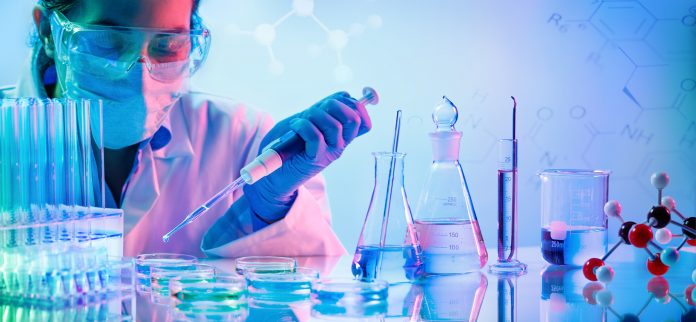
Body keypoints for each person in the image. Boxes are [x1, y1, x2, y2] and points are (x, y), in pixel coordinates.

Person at [0, 0, 372, 257]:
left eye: (168, 43)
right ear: (48, 29)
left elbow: (305, 296)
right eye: (108, 40)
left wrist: (270, 206)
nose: (138, 71)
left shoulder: (244, 139)